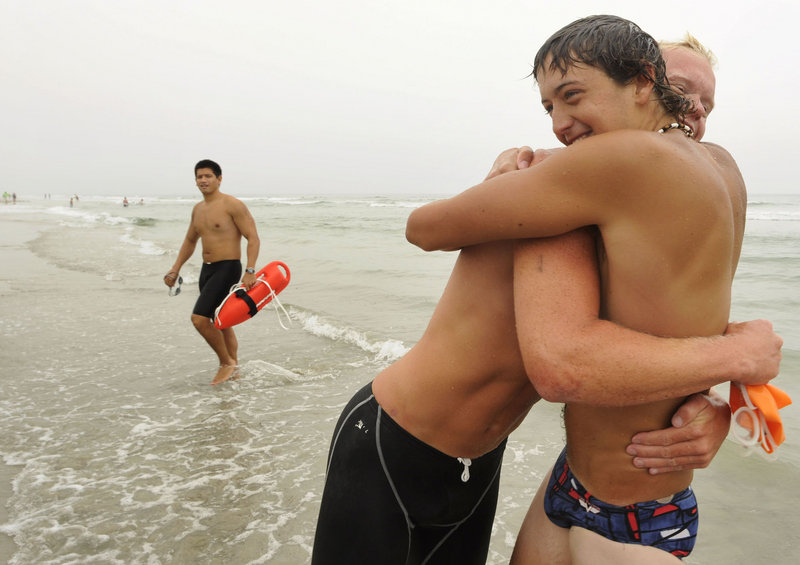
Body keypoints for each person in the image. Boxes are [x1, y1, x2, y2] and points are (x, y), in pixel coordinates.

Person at [312, 29, 781, 565]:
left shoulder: (682, 191)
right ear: (645, 84)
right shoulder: (562, 179)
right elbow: (426, 232)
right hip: (396, 438)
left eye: (705, 103)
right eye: (679, 92)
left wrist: (713, 401)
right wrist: (735, 356)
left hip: (484, 457)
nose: (688, 112)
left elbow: (682, 314)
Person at [164, 159, 261, 385]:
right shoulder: (198, 210)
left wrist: (250, 270)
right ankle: (234, 368)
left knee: (199, 319)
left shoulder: (232, 205)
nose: (203, 180)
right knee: (221, 321)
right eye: (199, 176)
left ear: (219, 178)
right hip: (207, 270)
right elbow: (190, 240)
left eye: (208, 176)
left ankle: (226, 362)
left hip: (227, 267)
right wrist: (175, 269)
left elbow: (253, 237)